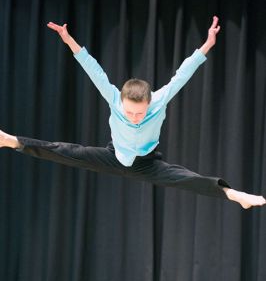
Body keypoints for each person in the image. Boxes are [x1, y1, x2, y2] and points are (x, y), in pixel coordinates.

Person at [0, 17, 265, 209]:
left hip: (148, 163)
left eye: (140, 113)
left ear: (149, 102)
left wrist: (206, 45)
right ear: (123, 102)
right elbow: (94, 71)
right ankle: (11, 140)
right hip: (114, 156)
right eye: (129, 113)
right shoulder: (114, 98)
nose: (134, 118)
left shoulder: (159, 100)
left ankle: (234, 195)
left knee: (188, 179)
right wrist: (69, 40)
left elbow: (183, 74)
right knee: (67, 151)